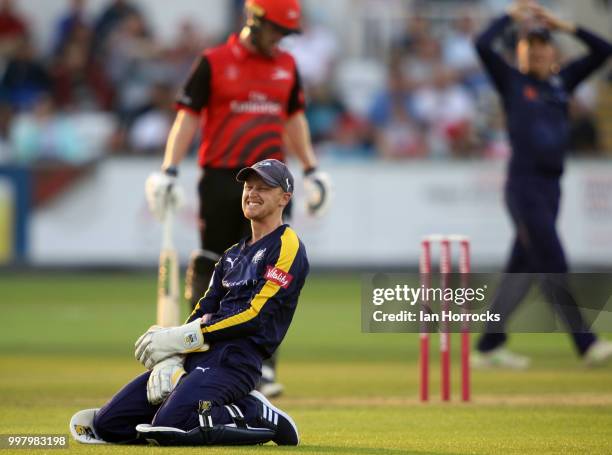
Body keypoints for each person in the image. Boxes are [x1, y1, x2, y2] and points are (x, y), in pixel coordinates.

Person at [144, 0, 330, 397]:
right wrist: (169, 169)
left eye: (287, 33)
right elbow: (188, 116)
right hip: (221, 178)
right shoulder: (213, 61)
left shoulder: (287, 68)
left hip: (272, 178)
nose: (281, 40)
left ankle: (261, 366)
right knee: (214, 267)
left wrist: (312, 169)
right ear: (254, 20)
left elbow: (294, 117)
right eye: (276, 30)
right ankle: (200, 354)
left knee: (272, 272)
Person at [70, 159, 309, 447]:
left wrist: (191, 336)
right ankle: (199, 405)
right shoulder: (231, 255)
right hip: (200, 354)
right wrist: (175, 357)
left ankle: (253, 411)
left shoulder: (287, 245)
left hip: (238, 360)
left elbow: (255, 315)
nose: (252, 193)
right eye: (249, 187)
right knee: (109, 426)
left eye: (264, 188)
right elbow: (204, 309)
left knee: (170, 426)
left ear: (285, 198)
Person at [472, 0, 612, 368]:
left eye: (540, 48)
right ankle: (586, 343)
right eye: (528, 49)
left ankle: (489, 344)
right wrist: (510, 17)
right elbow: (482, 46)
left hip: (552, 189)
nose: (534, 55)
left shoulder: (561, 82)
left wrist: (564, 25)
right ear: (521, 54)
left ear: (551, 53)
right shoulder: (512, 81)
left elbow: (604, 50)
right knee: (553, 260)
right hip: (523, 186)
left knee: (523, 268)